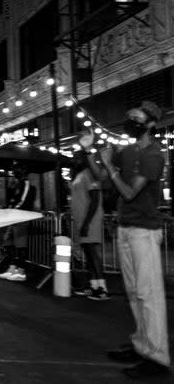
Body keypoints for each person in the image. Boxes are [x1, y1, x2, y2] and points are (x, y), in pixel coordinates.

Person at [81, 101, 169, 378]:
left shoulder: (154, 154)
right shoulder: (127, 151)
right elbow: (101, 178)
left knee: (149, 294)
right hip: (126, 228)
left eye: (136, 118)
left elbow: (130, 192)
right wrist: (88, 151)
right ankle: (141, 344)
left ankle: (158, 357)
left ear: (150, 123)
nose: (130, 121)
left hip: (144, 230)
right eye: (128, 116)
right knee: (134, 292)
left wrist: (110, 165)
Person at [69, 149, 108, 301]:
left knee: (92, 253)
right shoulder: (80, 174)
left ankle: (102, 289)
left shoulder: (90, 173)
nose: (73, 160)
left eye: (76, 157)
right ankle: (93, 286)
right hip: (82, 220)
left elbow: (95, 198)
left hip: (89, 220)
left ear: (85, 159)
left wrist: (86, 222)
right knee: (89, 254)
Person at [0, 163, 36, 282]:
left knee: (20, 245)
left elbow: (22, 201)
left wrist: (12, 209)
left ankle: (21, 271)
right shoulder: (17, 184)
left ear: (23, 171)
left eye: (16, 169)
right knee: (9, 243)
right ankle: (12, 268)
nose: (13, 172)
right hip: (14, 217)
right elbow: (12, 200)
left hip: (21, 218)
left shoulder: (27, 184)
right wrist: (10, 189)